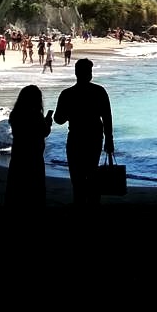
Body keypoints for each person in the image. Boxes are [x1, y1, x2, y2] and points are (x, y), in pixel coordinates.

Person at [54, 58, 115, 207]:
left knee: (77, 174)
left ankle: (79, 203)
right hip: (94, 136)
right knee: (92, 171)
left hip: (75, 136)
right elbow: (107, 116)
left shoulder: (67, 94)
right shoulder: (99, 91)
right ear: (90, 74)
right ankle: (93, 204)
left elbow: (58, 119)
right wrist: (109, 139)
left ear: (76, 73)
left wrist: (70, 113)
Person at [5, 84, 53, 214]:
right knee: (34, 182)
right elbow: (43, 133)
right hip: (34, 153)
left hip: (19, 151)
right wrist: (48, 123)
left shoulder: (15, 114)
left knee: (17, 181)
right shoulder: (35, 115)